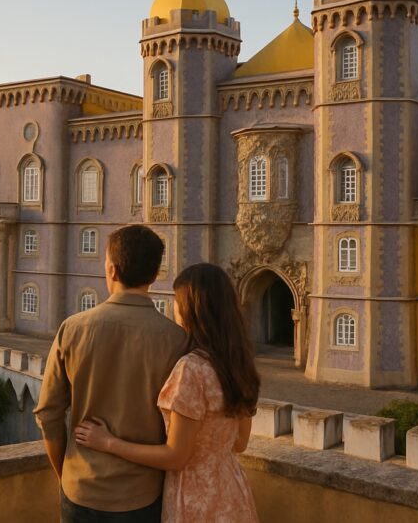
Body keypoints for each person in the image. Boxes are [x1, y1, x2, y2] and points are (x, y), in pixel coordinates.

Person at [74, 262, 261, 523]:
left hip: (196, 499)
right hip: (232, 492)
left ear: (192, 309)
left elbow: (176, 457)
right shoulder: (238, 365)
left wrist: (108, 442)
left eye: (176, 299)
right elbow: (239, 443)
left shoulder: (192, 370)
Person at [34, 224, 190, 522]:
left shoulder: (72, 329)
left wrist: (66, 475)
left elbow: (48, 415)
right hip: (141, 495)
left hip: (80, 489)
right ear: (155, 274)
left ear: (112, 270)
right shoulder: (177, 340)